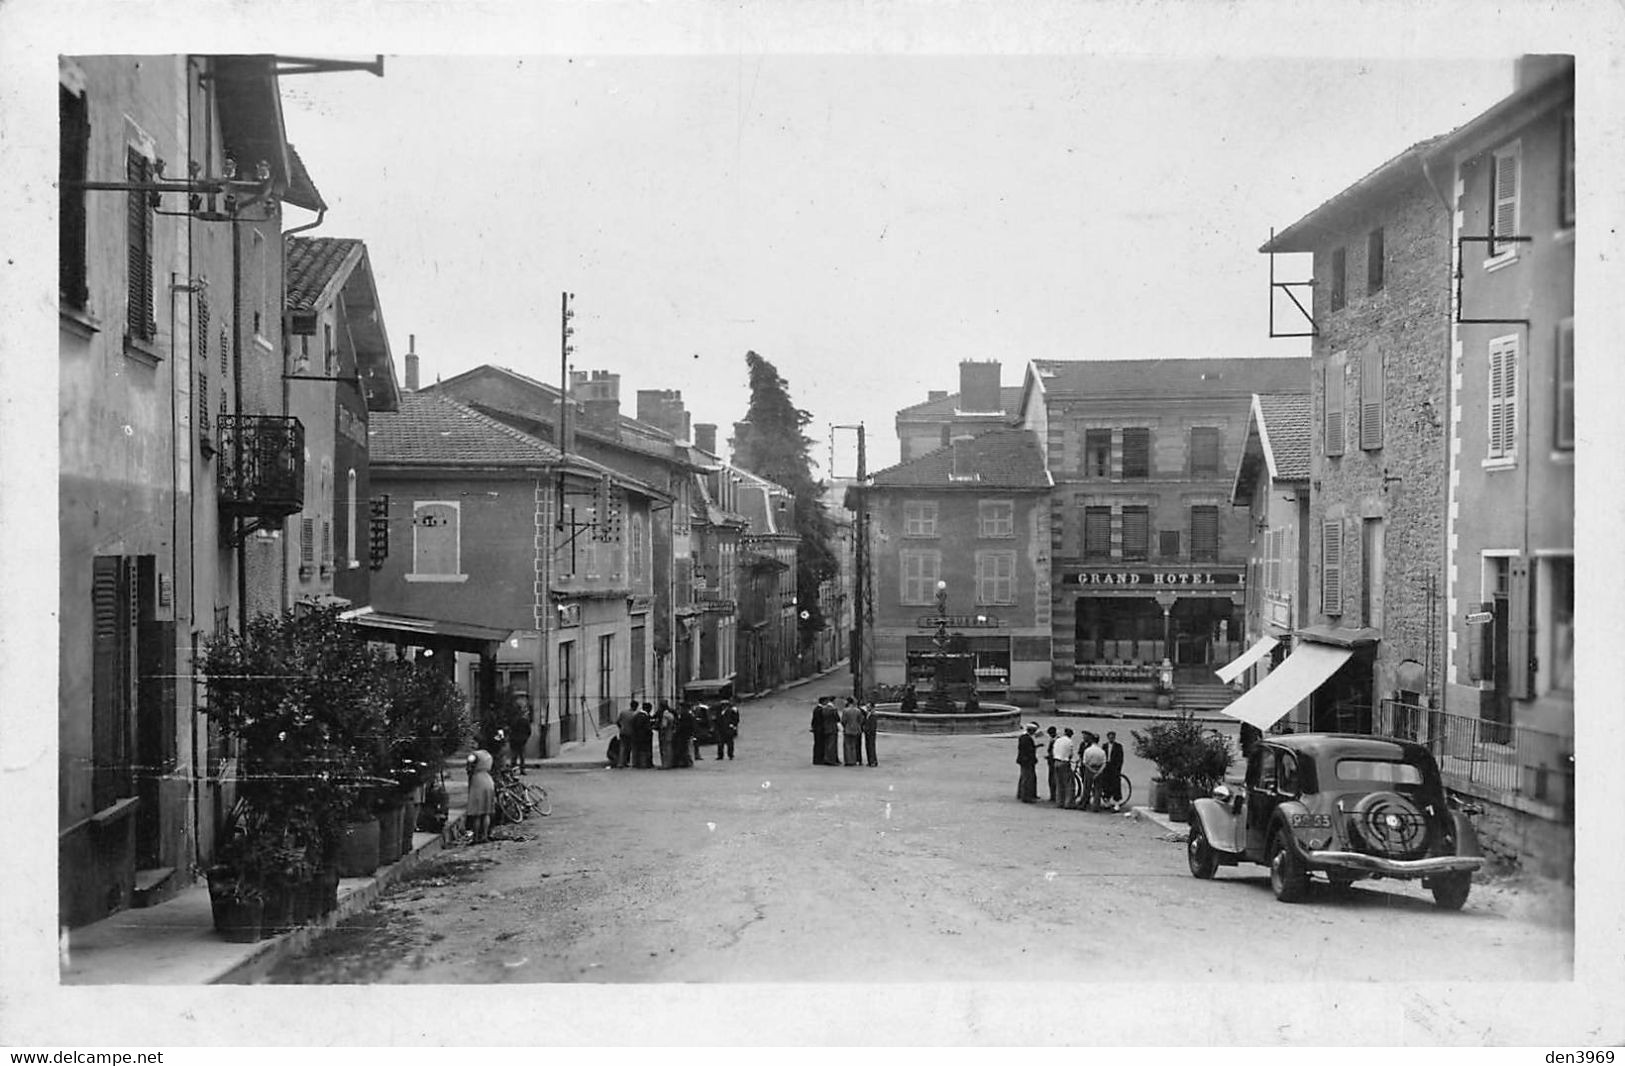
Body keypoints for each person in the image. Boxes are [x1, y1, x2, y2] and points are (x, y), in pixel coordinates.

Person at [464, 747, 495, 843]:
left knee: (477, 812)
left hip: (478, 781)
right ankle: (485, 835)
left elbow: (469, 766)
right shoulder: (488, 755)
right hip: (488, 780)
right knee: (486, 811)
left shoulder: (474, 755)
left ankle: (476, 837)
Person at [1080, 733, 1108, 812]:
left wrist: (1092, 770)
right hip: (1099, 768)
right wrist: (1098, 772)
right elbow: (1104, 763)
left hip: (1090, 768)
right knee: (1098, 789)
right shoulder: (1102, 751)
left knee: (1087, 787)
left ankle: (1084, 804)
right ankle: (1096, 806)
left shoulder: (1088, 750)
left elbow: (1085, 762)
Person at [1101, 730, 1126, 811]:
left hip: (1114, 767)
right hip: (1106, 767)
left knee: (1116, 785)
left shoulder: (1118, 746)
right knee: (1106, 784)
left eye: (1112, 737)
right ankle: (1107, 801)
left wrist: (1118, 768)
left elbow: (1120, 758)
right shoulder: (1104, 746)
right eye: (1110, 737)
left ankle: (1117, 803)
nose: (1111, 738)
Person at [1052, 728, 1076, 809]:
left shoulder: (1058, 740)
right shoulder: (1069, 741)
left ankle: (1059, 802)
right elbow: (1070, 753)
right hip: (1064, 762)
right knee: (1068, 783)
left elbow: (1054, 750)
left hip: (1056, 761)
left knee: (1059, 783)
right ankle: (1068, 803)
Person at [508, 698, 533, 774]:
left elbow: (510, 729)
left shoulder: (513, 719)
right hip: (521, 739)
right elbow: (528, 731)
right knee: (521, 755)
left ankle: (513, 770)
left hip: (514, 739)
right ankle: (522, 769)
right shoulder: (524, 720)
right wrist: (525, 738)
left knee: (514, 755)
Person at [1016, 722, 1039, 802]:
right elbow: (1028, 750)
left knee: (1024, 777)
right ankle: (1026, 796)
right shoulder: (1027, 738)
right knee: (1027, 778)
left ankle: (1021, 794)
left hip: (1023, 760)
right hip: (1027, 761)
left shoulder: (1023, 737)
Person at [840, 698, 863, 766]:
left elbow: (843, 721)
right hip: (856, 730)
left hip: (848, 729)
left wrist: (845, 726)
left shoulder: (845, 710)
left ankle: (848, 760)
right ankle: (854, 760)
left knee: (847, 745)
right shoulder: (858, 711)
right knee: (854, 745)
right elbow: (860, 720)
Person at [615, 699, 638, 769]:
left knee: (622, 747)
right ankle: (632, 762)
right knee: (631, 748)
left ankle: (621, 763)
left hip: (623, 732)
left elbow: (617, 721)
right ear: (636, 707)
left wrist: (621, 727)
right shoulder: (635, 714)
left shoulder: (623, 712)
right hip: (631, 733)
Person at [821, 697, 842, 767]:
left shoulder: (824, 709)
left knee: (827, 744)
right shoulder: (833, 709)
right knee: (832, 745)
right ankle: (832, 760)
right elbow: (837, 719)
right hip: (833, 728)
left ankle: (826, 758)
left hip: (826, 728)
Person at [674, 703, 696, 767]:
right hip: (687, 734)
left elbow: (684, 725)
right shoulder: (689, 714)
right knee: (686, 748)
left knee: (684, 748)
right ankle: (686, 762)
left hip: (685, 734)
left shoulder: (686, 715)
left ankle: (687, 762)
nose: (680, 709)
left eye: (681, 708)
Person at [633, 702, 654, 768]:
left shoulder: (638, 715)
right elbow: (645, 727)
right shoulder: (643, 716)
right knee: (644, 750)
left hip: (639, 736)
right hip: (644, 736)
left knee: (639, 750)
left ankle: (639, 763)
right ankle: (644, 763)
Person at [656, 700, 675, 769]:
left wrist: (659, 728)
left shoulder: (665, 715)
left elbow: (664, 725)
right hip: (670, 733)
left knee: (664, 750)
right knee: (669, 749)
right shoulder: (671, 714)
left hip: (665, 734)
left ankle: (665, 764)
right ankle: (670, 763)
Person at [861, 701, 879, 767]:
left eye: (868, 707)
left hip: (871, 733)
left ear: (872, 707)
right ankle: (870, 761)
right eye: (867, 707)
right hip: (868, 733)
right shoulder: (868, 714)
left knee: (871, 747)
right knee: (868, 747)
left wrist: (868, 730)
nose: (867, 708)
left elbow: (873, 726)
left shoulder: (873, 715)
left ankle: (873, 761)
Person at [1044, 726, 1059, 803]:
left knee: (1053, 779)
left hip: (1053, 762)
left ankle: (1054, 795)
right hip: (1051, 761)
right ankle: (1053, 795)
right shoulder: (1054, 740)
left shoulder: (1056, 740)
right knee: (1051, 779)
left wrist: (1049, 756)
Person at [811, 699, 827, 765]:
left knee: (817, 744)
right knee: (820, 744)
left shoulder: (816, 709)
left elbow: (813, 720)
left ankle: (816, 759)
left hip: (816, 729)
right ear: (823, 702)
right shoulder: (820, 710)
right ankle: (819, 759)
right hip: (820, 729)